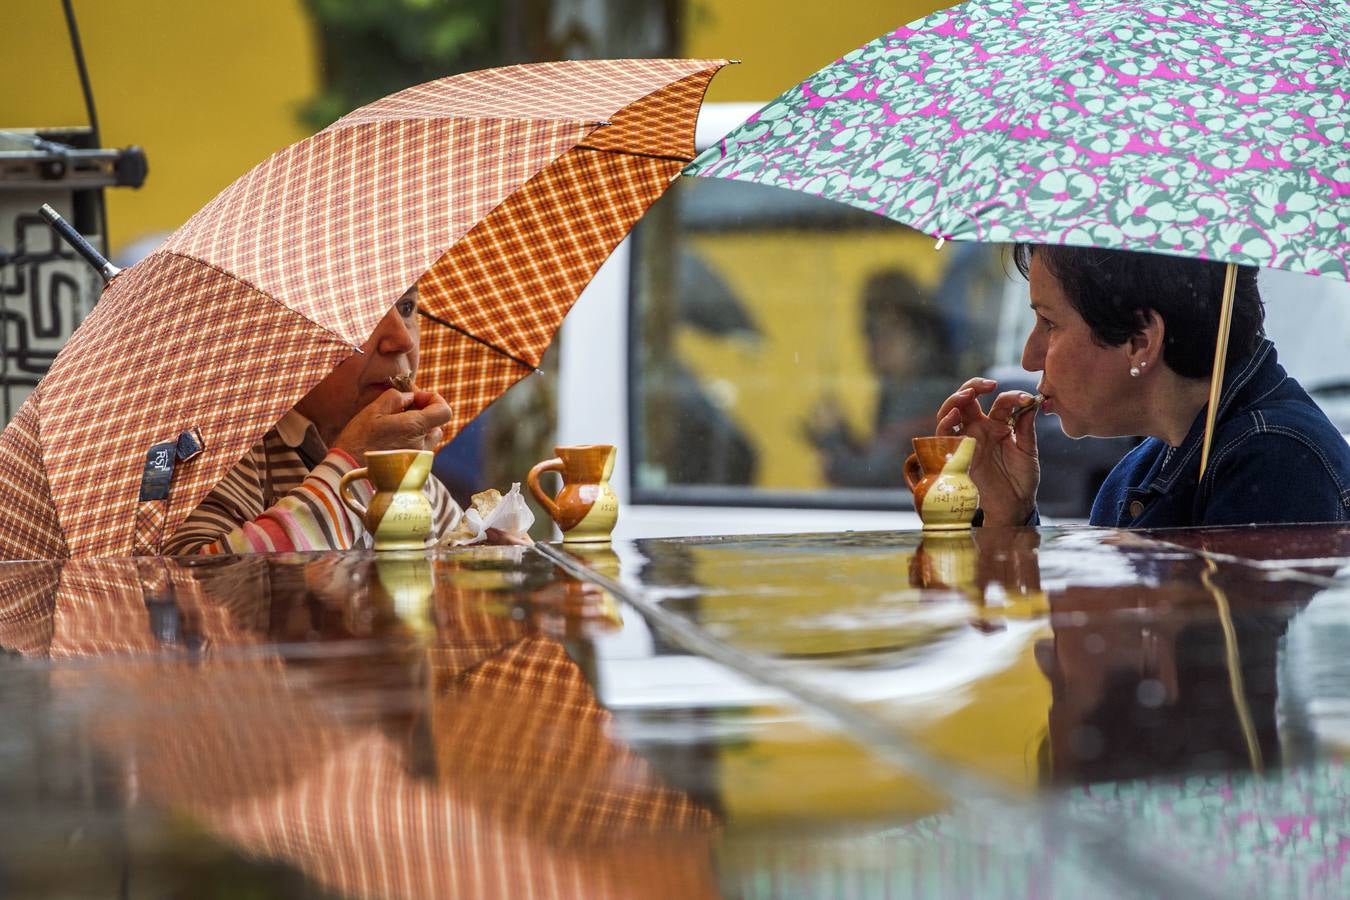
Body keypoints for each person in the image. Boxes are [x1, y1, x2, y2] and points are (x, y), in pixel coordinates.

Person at [936, 245, 1350, 528]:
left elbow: (1212, 651)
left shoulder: (1276, 459)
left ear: (1140, 342)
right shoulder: (1139, 472)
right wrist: (1009, 512)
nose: (1029, 357)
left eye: (1049, 323)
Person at [166, 285, 464, 554]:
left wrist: (489, 548)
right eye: (362, 307)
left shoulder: (407, 467)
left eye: (406, 307)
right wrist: (352, 464)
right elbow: (196, 582)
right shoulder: (228, 453)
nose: (402, 340)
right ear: (280, 327)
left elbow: (445, 581)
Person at [807, 269, 956, 487]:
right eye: (868, 331)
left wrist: (834, 442)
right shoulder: (895, 389)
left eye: (884, 331)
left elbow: (876, 478)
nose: (873, 346)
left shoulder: (929, 392)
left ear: (919, 334)